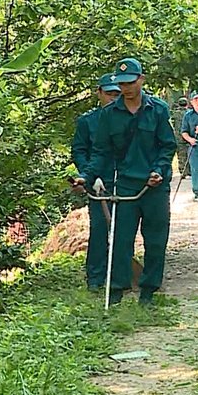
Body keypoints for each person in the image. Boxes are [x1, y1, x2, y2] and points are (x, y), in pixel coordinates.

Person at [89, 58, 176, 306]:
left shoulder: (158, 110)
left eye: (130, 82)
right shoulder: (109, 114)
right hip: (125, 186)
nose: (126, 88)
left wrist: (159, 170)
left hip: (154, 187)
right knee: (120, 239)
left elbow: (167, 145)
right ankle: (116, 291)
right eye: (122, 84)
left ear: (141, 80)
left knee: (156, 240)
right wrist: (86, 176)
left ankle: (148, 292)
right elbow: (101, 152)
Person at [70, 73, 121, 291]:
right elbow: (79, 151)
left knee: (123, 229)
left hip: (124, 181)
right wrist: (88, 174)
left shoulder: (127, 118)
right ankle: (95, 277)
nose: (113, 98)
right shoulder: (87, 122)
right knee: (99, 228)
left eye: (117, 94)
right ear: (99, 93)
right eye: (109, 93)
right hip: (98, 181)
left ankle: (121, 274)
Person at [171, 96, 191, 178]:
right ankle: (190, 171)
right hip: (189, 136)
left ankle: (183, 171)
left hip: (178, 137)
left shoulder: (175, 114)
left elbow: (172, 124)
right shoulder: (189, 113)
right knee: (189, 154)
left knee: (181, 155)